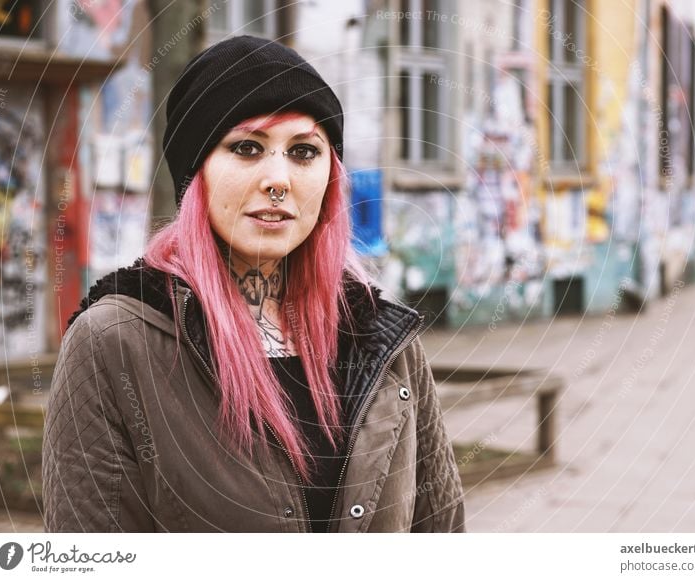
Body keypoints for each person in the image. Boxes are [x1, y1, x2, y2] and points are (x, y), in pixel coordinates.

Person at [42, 35, 465, 533]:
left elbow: (441, 534)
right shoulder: (115, 342)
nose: (278, 179)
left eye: (304, 152)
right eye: (247, 148)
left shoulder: (380, 336)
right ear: (195, 173)